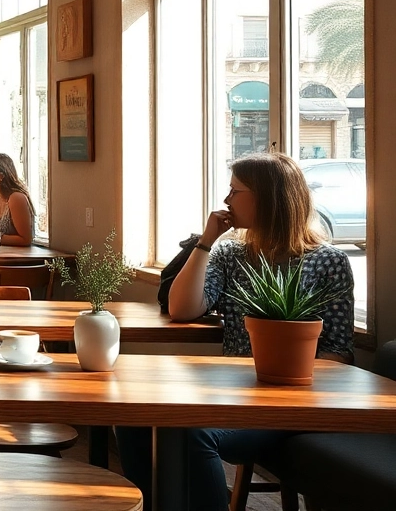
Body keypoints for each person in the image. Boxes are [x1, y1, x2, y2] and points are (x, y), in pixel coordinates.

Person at [117, 152, 354, 510]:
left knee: (191, 433)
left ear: (268, 197)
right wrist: (206, 242)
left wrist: (286, 383)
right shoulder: (233, 255)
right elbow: (182, 309)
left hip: (292, 403)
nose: (226, 200)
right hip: (233, 392)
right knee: (136, 416)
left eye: (235, 191)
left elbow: (339, 349)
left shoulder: (328, 261)